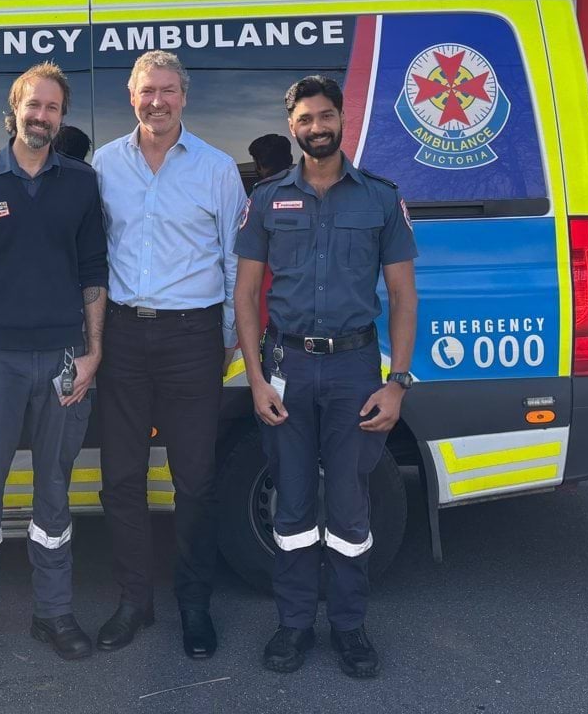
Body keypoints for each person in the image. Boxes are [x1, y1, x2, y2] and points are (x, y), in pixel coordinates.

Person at [233, 75, 418, 679]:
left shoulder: (380, 199)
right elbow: (245, 295)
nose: (317, 127)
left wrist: (398, 382)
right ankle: (293, 625)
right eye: (306, 119)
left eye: (326, 116)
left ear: (342, 119)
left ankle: (348, 626)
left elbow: (403, 295)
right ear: (293, 127)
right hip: (286, 366)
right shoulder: (267, 199)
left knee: (349, 505)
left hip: (354, 370)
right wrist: (256, 379)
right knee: (290, 503)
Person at [0, 62, 109, 671]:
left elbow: (93, 273)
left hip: (64, 357)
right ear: (13, 110)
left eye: (52, 108)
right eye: (32, 105)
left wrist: (93, 353)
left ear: (62, 117)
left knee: (54, 492)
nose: (42, 116)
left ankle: (53, 611)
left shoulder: (81, 183)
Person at [90, 50, 245, 659]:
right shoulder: (105, 164)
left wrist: (227, 336)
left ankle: (194, 604)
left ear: (185, 96)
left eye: (168, 90)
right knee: (121, 478)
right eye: (147, 90)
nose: (157, 101)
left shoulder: (217, 169)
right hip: (123, 336)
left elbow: (234, 260)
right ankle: (134, 600)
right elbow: (93, 255)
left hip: (191, 337)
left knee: (196, 480)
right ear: (131, 96)